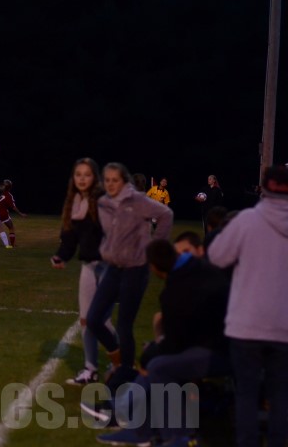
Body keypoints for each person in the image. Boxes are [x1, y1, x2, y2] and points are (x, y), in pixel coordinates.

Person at [91, 239, 231, 446]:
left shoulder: (175, 292)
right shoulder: (200, 269)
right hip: (222, 342)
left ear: (154, 267)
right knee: (157, 363)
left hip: (222, 350)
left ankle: (177, 436)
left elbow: (174, 343)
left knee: (158, 366)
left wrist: (150, 355)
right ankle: (137, 427)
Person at [208, 165, 288, 447]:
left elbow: (217, 256)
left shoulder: (247, 220)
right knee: (281, 395)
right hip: (284, 325)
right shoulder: (248, 220)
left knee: (246, 393)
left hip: (247, 323)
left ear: (263, 188)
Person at [85, 163, 173, 391]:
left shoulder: (138, 200)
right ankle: (121, 362)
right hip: (114, 268)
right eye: (107, 180)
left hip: (136, 269)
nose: (111, 184)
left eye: (115, 179)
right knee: (93, 319)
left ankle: (125, 373)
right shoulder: (104, 203)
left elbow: (166, 214)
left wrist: (153, 247)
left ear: (124, 181)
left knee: (124, 324)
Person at [50, 158, 116, 385]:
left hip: (109, 267)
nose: (82, 179)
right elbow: (69, 237)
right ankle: (90, 369)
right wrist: (61, 256)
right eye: (78, 174)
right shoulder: (74, 201)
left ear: (95, 177)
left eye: (87, 174)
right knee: (86, 319)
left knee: (102, 320)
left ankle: (119, 364)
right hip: (89, 266)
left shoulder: (104, 200)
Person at [0, 179, 27, 247]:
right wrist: (20, 214)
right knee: (11, 227)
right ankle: (12, 244)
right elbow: (13, 207)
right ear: (9, 188)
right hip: (3, 214)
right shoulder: (8, 195)